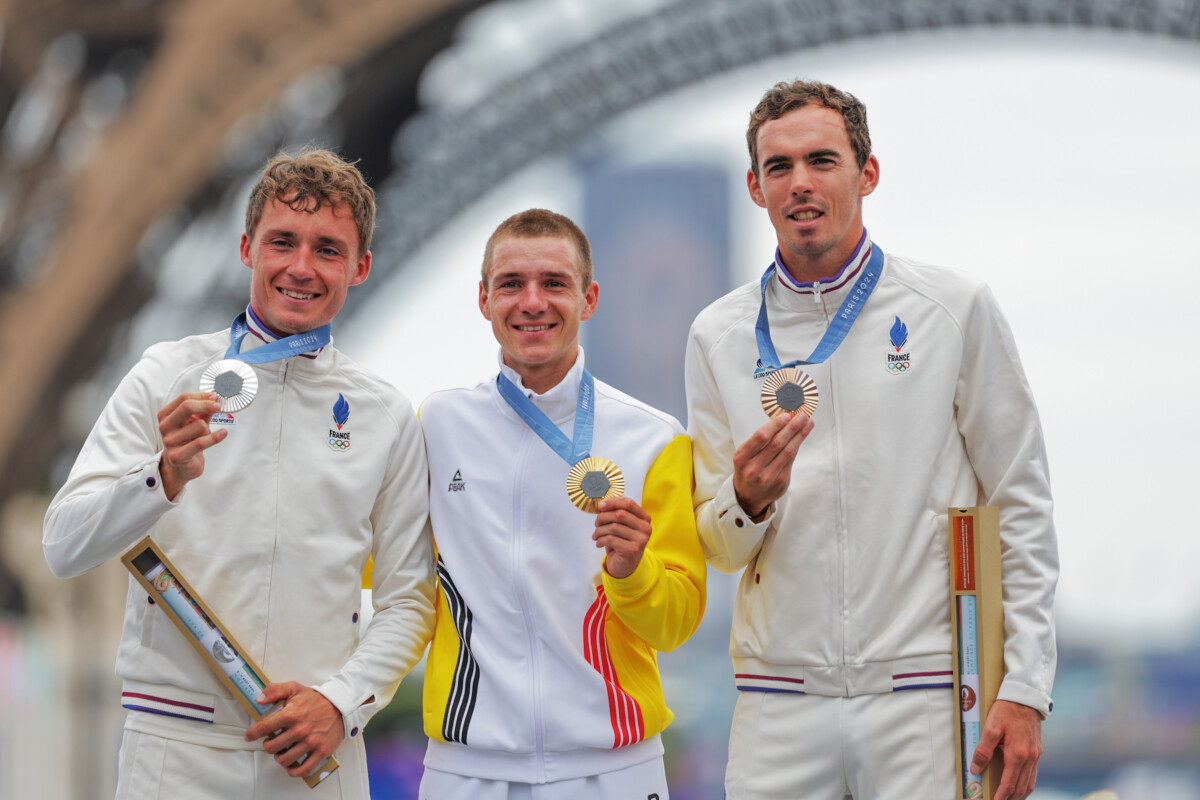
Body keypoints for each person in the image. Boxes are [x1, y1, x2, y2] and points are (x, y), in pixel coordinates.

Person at [685, 80, 1058, 800]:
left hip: (923, 693)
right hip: (778, 702)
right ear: (756, 188)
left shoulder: (951, 309)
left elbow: (1022, 501)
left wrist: (1028, 687)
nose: (800, 183)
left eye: (822, 160)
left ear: (868, 173)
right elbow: (718, 547)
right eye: (779, 167)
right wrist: (746, 501)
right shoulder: (716, 335)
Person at [42, 148, 436, 799]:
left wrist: (341, 703)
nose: (301, 266)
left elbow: (409, 598)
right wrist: (162, 477)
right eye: (283, 241)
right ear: (247, 246)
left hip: (316, 755)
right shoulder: (164, 376)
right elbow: (61, 546)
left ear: (361, 266)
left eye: (328, 249)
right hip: (176, 751)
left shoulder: (387, 414)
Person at [417, 209, 706, 799]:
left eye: (554, 283)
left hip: (613, 766)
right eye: (511, 284)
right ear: (483, 299)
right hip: (466, 767)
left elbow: (677, 623)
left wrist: (633, 572)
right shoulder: (436, 425)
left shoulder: (655, 438)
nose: (532, 302)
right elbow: (379, 567)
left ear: (589, 297)